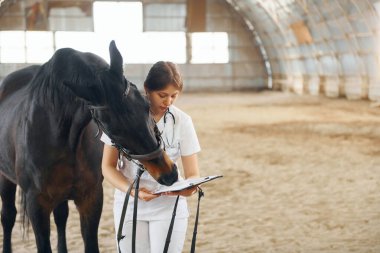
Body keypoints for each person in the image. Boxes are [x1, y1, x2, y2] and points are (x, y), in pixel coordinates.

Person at [101, 61, 201, 253]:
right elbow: (107, 166)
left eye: (174, 96)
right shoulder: (122, 118)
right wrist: (132, 191)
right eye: (162, 95)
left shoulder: (183, 121)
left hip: (169, 208)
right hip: (129, 206)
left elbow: (193, 174)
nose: (168, 102)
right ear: (147, 89)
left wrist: (189, 189)